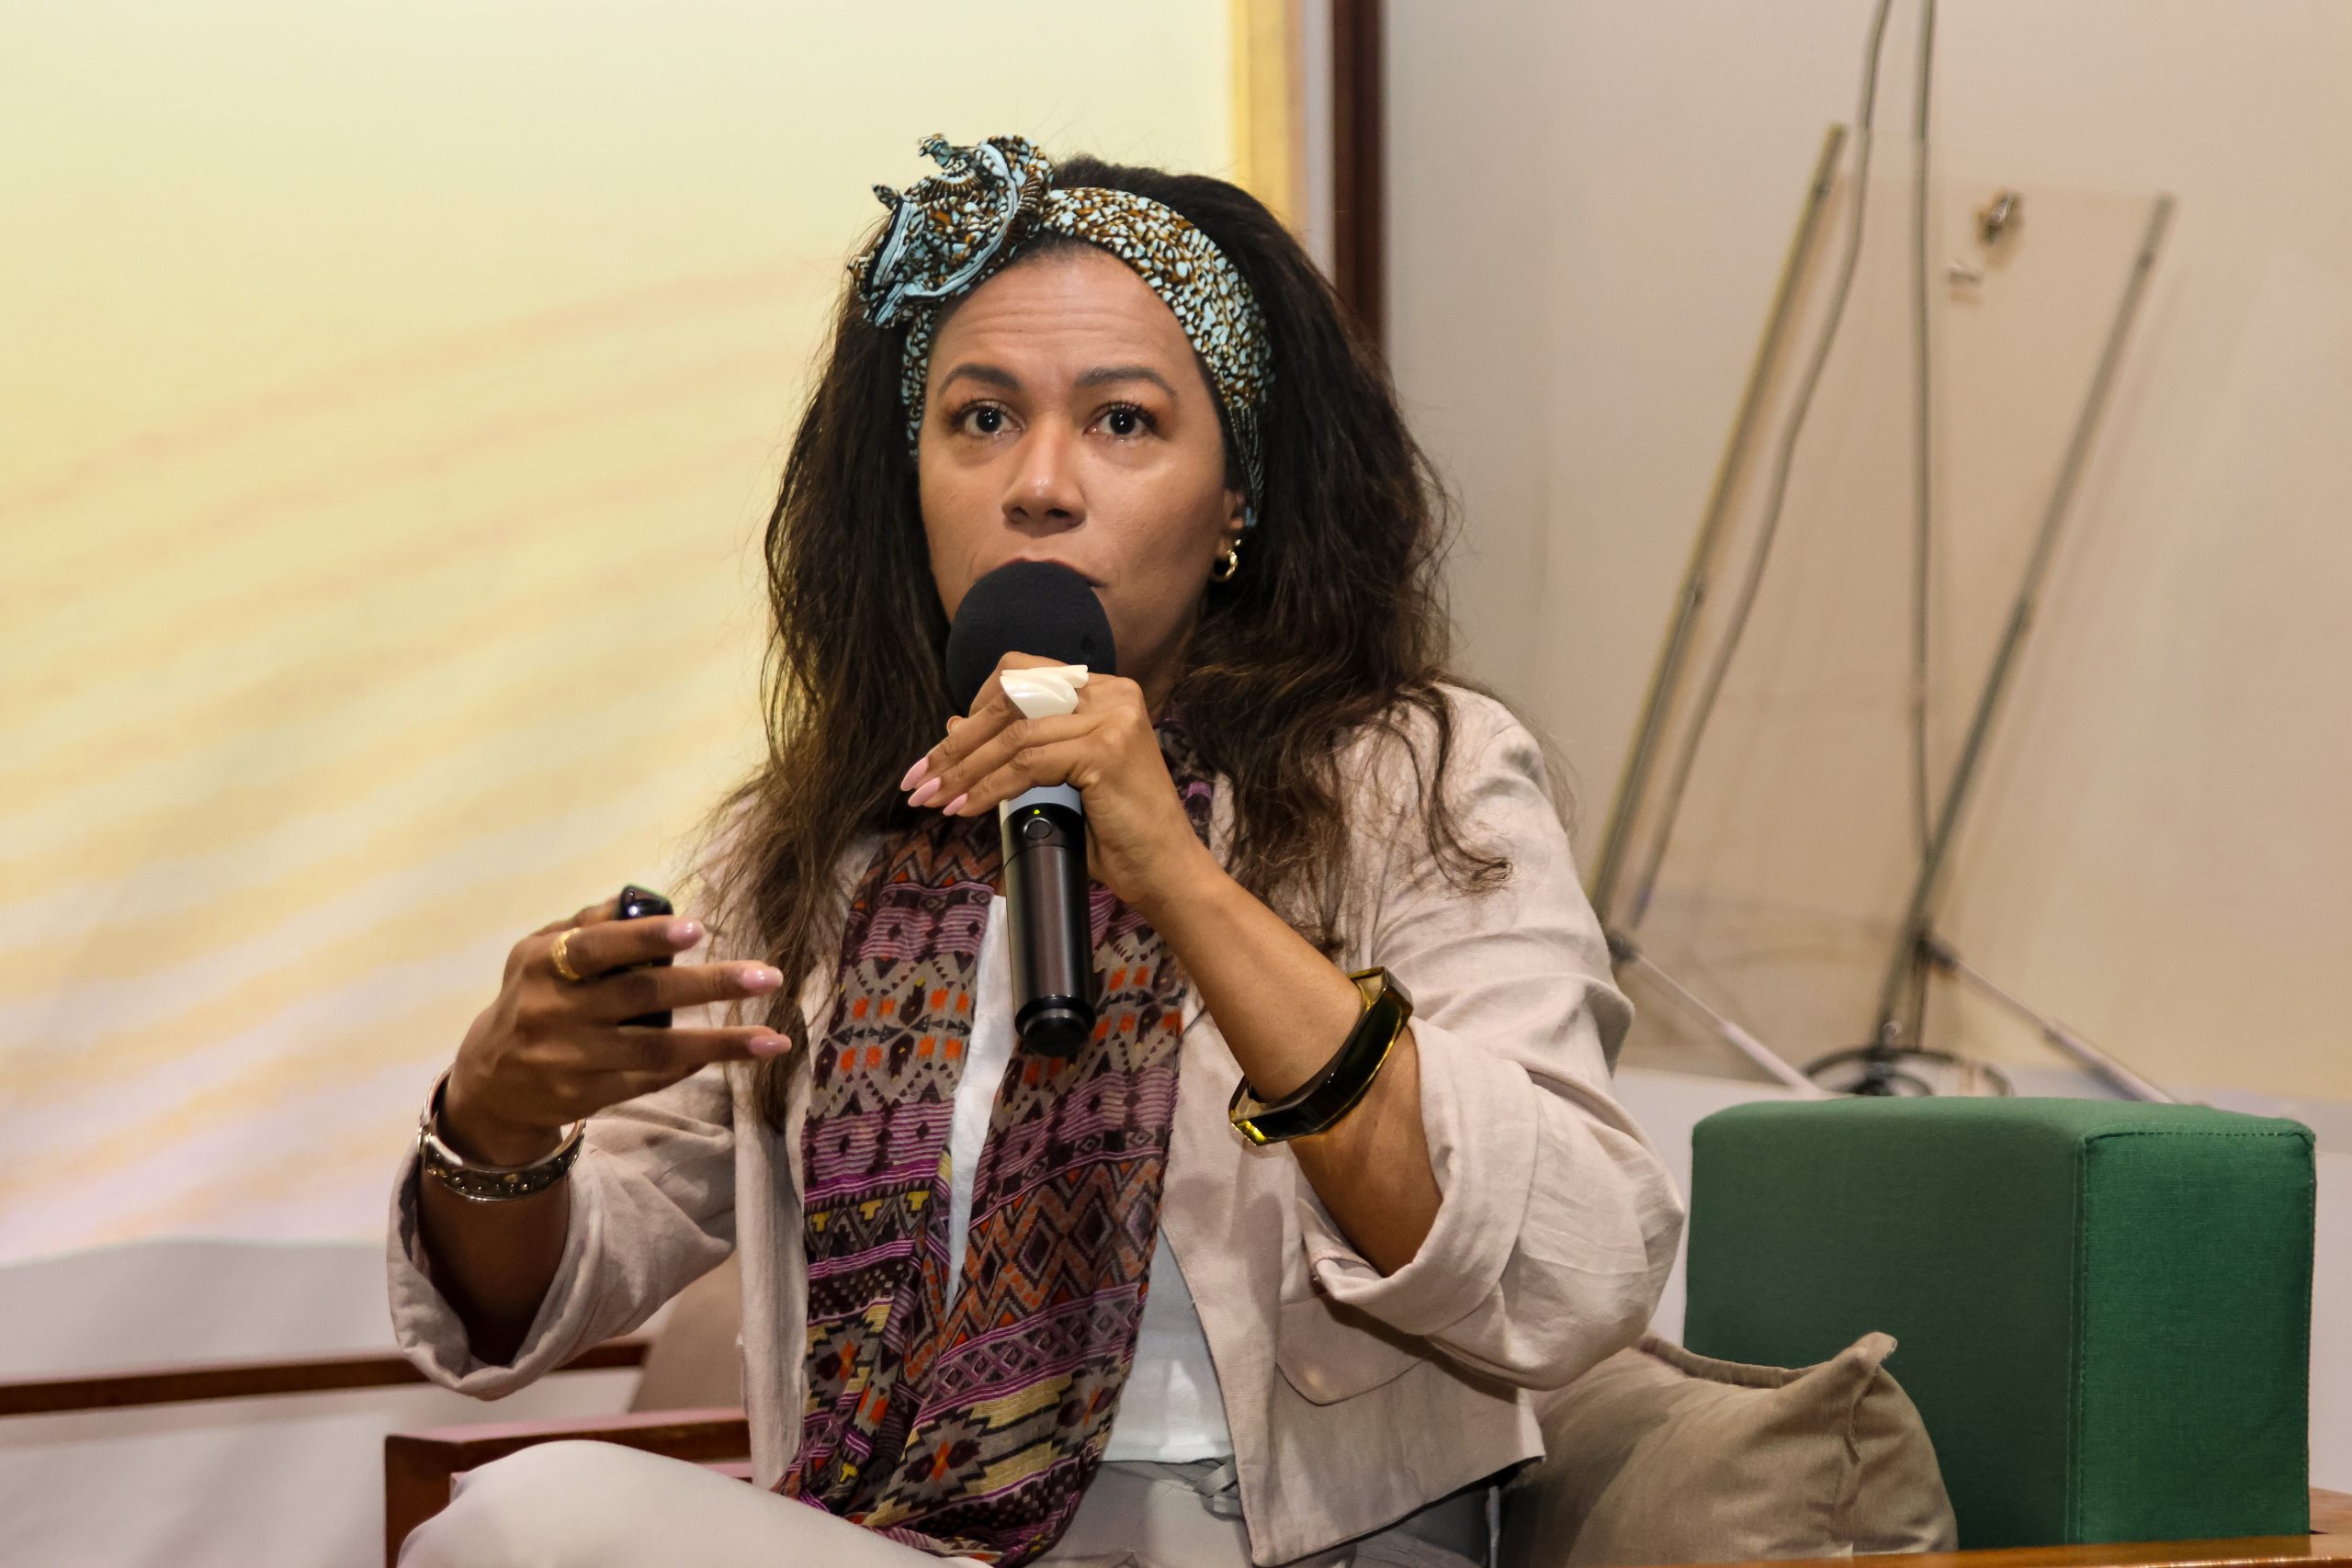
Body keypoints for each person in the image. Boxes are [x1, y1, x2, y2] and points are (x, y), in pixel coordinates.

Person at [389, 134, 1683, 1568]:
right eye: (982, 419)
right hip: (901, 1539)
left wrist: (1182, 882)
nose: (1041, 484)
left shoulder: (1408, 779)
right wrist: (495, 1121)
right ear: (914, 478)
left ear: (1237, 499)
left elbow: (1574, 1268)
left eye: (1123, 422)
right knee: (525, 1519)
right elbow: (523, 1311)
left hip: (1291, 1548)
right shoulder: (825, 845)